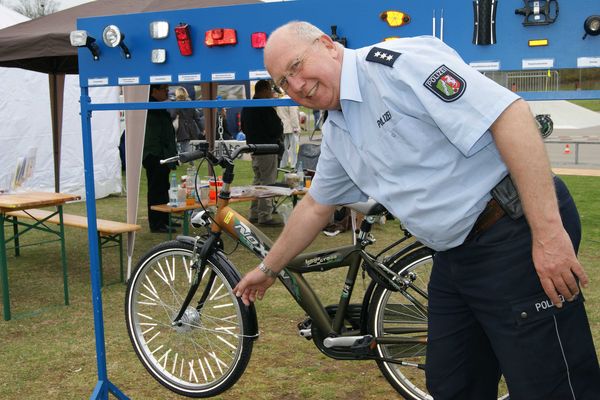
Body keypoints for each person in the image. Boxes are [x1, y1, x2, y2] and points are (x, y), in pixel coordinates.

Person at [233, 21, 600, 399]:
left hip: (512, 230)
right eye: (282, 82)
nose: (295, 86)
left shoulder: (398, 66)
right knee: (452, 382)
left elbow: (510, 115)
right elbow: (314, 206)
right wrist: (267, 269)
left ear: (327, 45)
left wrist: (549, 234)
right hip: (453, 256)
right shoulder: (338, 129)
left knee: (550, 383)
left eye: (295, 67)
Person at [240, 79, 283, 226]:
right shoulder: (265, 107)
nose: (271, 93)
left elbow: (244, 128)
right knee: (267, 183)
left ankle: (254, 213)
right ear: (264, 90)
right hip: (267, 148)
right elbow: (275, 128)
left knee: (257, 182)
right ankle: (265, 216)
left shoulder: (247, 106)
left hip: (254, 148)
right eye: (270, 90)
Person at [143, 84, 178, 234]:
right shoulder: (150, 108)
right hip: (155, 154)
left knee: (164, 187)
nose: (167, 91)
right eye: (164, 89)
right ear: (154, 91)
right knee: (157, 189)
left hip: (161, 154)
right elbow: (156, 134)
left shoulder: (156, 107)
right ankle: (157, 223)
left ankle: (164, 218)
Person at [170, 87, 204, 156]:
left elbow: (173, 116)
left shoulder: (176, 104)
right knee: (187, 146)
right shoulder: (190, 104)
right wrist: (202, 129)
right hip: (191, 128)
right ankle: (188, 161)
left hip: (181, 128)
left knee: (184, 147)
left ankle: (189, 162)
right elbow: (197, 118)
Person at [276, 91, 301, 168]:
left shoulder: (280, 100)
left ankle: (283, 163)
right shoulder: (291, 100)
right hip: (291, 127)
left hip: (283, 125)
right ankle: (294, 164)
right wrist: (296, 127)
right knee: (294, 147)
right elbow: (293, 115)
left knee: (284, 147)